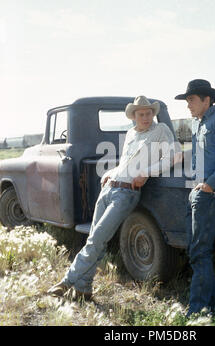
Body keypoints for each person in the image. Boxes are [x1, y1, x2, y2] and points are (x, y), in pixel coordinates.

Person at [48, 95, 181, 299]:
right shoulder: (130, 134)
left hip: (126, 194)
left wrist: (147, 172)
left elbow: (175, 157)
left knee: (97, 238)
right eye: (141, 114)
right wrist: (112, 171)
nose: (146, 118)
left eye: (149, 114)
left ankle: (67, 281)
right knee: (95, 239)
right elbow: (126, 161)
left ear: (153, 114)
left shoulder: (160, 131)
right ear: (134, 116)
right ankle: (84, 288)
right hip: (108, 188)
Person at [175, 79, 215, 317]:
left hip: (210, 194)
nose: (188, 105)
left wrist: (210, 185)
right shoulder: (197, 123)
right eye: (187, 100)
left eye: (191, 100)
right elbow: (197, 158)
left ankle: (196, 311)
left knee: (200, 251)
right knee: (195, 250)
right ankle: (211, 307)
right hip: (198, 192)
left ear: (206, 99)